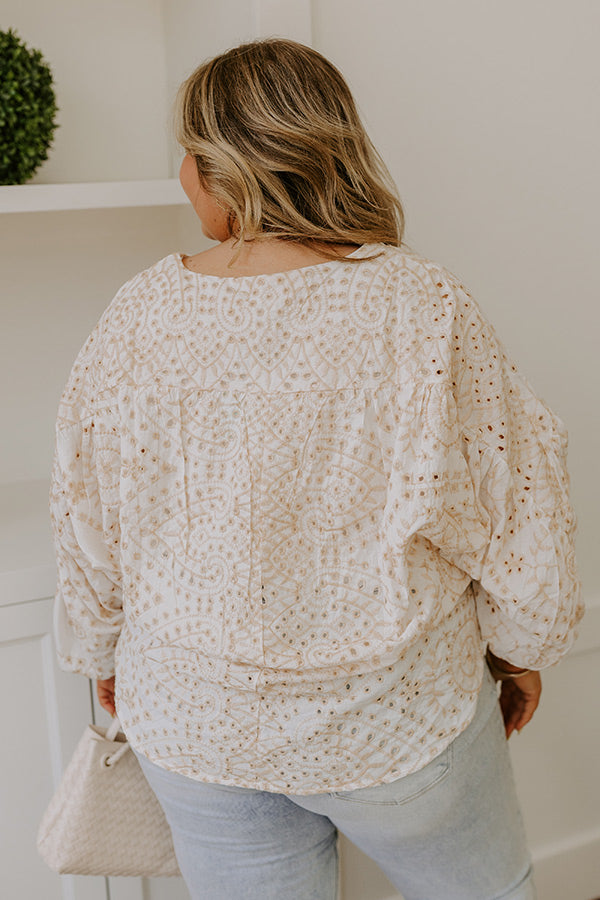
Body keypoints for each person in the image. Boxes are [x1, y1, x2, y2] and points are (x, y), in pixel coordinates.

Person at [50, 38, 583, 900]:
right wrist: (520, 652)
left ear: (226, 167)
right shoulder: (420, 303)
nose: (182, 175)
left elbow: (86, 513)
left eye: (188, 153)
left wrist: (104, 653)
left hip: (197, 724)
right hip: (395, 718)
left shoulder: (140, 313)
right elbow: (515, 498)